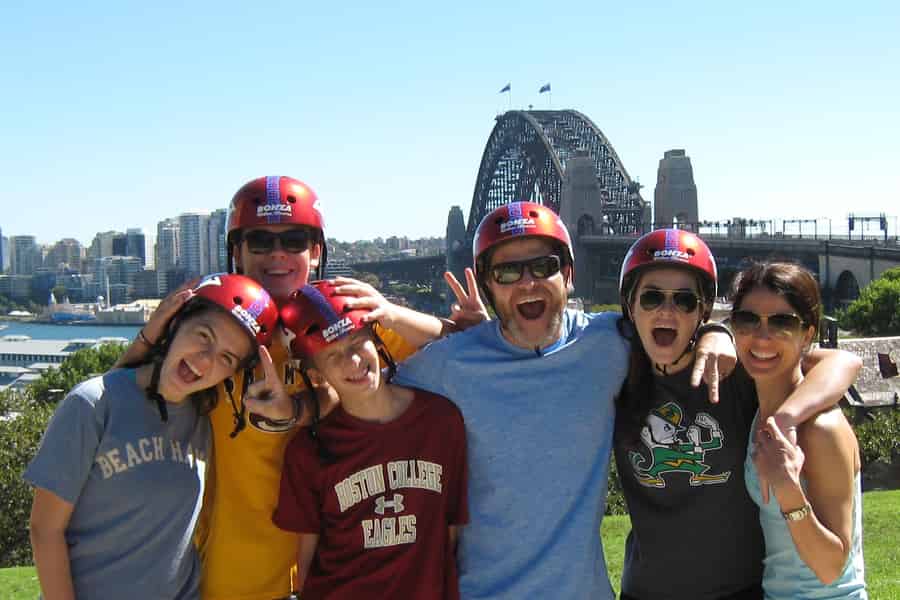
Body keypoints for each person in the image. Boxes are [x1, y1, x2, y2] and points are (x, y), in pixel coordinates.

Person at [113, 175, 481, 600]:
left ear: (317, 250)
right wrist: (149, 337)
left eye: (294, 240)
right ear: (237, 252)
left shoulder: (341, 320)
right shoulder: (221, 331)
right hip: (241, 577)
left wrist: (397, 313)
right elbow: (125, 396)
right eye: (259, 241)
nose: (278, 254)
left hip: (339, 574)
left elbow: (458, 349)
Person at [392, 202, 738, 600]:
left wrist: (717, 332)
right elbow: (360, 390)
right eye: (507, 272)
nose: (528, 283)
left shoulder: (608, 343)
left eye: (544, 266)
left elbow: (675, 321)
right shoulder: (449, 364)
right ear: (488, 285)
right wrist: (397, 316)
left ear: (568, 275)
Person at [613, 230, 863, 600]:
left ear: (702, 310)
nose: (667, 311)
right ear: (630, 306)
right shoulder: (612, 372)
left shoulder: (741, 373)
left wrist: (784, 420)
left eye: (685, 300)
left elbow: (843, 361)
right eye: (651, 297)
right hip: (645, 592)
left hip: (741, 591)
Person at [25, 273, 279, 600]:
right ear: (174, 324)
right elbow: (45, 530)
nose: (205, 360)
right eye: (204, 335)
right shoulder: (92, 405)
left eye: (226, 358)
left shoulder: (205, 420)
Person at [273, 281, 468, 599]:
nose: (352, 362)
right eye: (332, 356)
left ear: (376, 340)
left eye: (356, 343)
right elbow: (306, 558)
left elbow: (451, 529)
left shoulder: (441, 422)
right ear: (317, 375)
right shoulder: (308, 450)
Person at [733, 262, 867, 598]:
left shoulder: (821, 429)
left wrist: (787, 488)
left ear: (807, 334)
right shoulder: (762, 412)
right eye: (748, 319)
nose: (762, 336)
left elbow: (831, 567)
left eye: (782, 323)